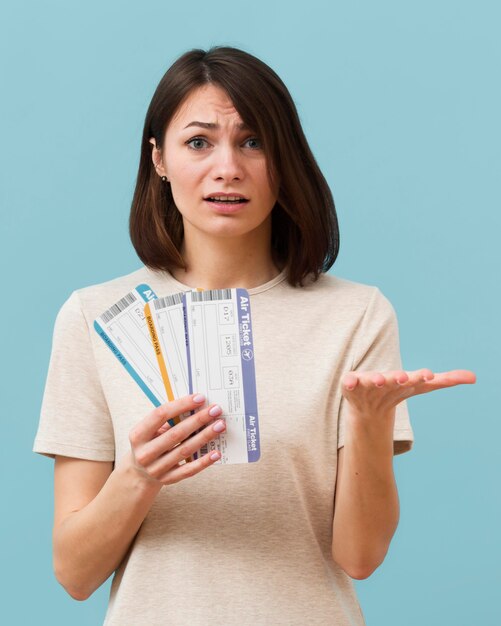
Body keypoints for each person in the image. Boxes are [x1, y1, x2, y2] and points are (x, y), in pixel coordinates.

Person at [33, 46, 476, 625]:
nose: (228, 168)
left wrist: (369, 419)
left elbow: (361, 558)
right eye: (198, 142)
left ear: (284, 158)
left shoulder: (356, 315)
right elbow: (74, 574)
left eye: (254, 141)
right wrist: (138, 476)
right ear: (158, 158)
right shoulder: (95, 316)